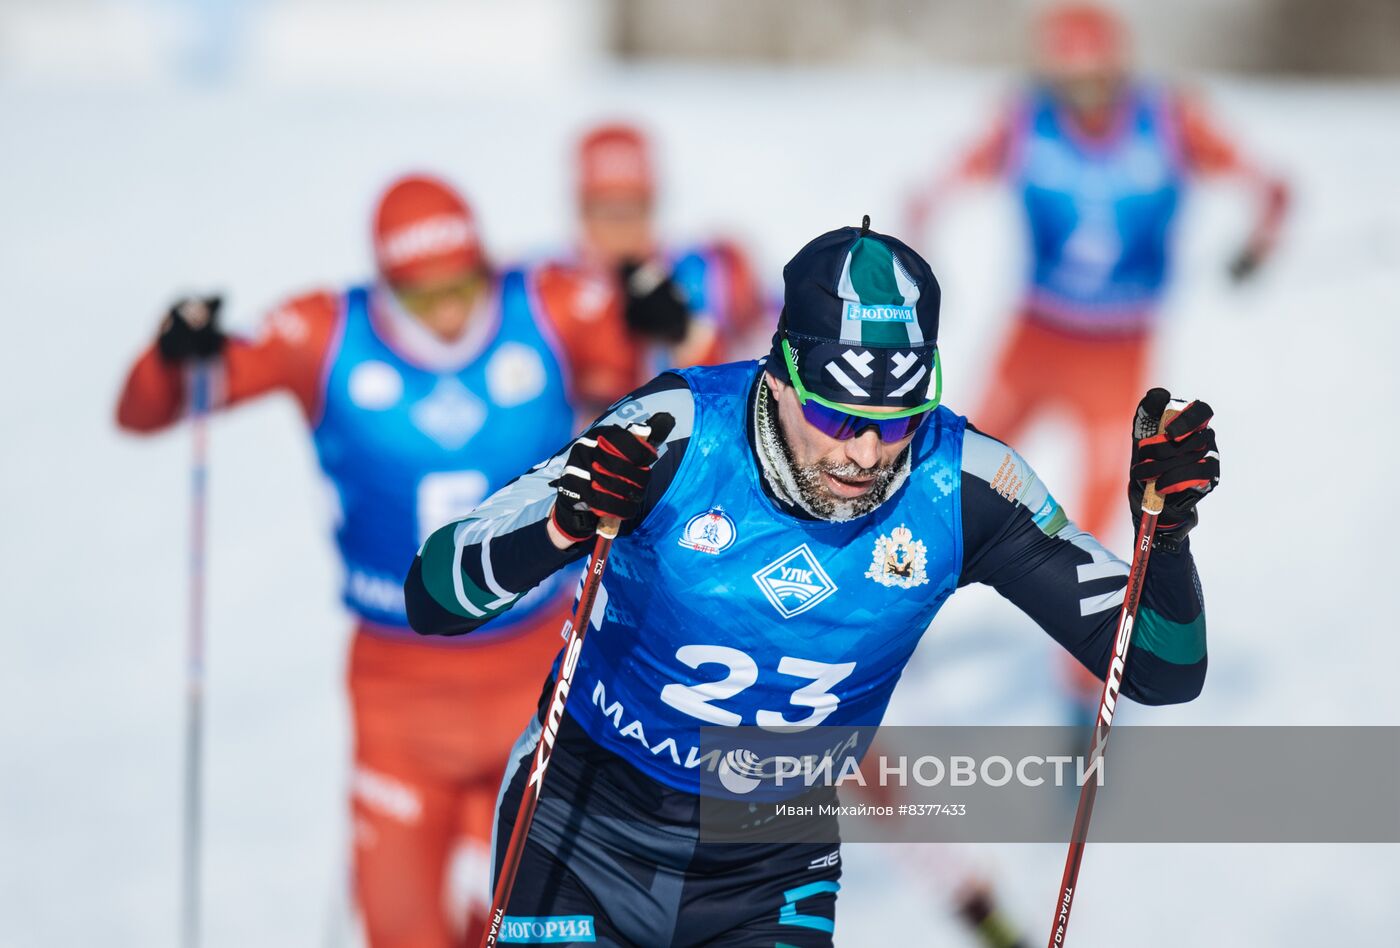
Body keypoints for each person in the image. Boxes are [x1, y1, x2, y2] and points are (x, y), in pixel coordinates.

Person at [404, 221, 1219, 945]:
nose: (864, 454)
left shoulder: (964, 482)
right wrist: (563, 525)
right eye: (835, 414)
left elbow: (1160, 670)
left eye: (897, 419)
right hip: (583, 827)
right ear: (780, 374)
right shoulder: (675, 432)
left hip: (768, 869)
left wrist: (1167, 536)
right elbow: (434, 594)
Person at [115, 173, 624, 948]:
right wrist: (171, 357)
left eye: (464, 286)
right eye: (423, 298)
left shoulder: (547, 305)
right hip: (399, 689)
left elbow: (671, 387)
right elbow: (152, 411)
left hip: (540, 671)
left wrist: (665, 324)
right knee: (401, 928)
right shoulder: (325, 332)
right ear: (384, 286)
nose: (450, 312)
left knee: (554, 928)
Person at [905, 0, 1279, 716]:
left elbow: (1268, 187)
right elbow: (939, 185)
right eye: (1067, 81)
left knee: (1107, 509)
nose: (1082, 97)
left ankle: (1086, 679)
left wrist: (1257, 245)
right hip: (1038, 335)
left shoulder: (1169, 119)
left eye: (1094, 80)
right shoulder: (1025, 119)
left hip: (1118, 348)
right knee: (947, 469)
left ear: (1117, 69)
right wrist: (922, 237)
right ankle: (883, 603)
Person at [534, 121, 768, 413]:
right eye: (605, 211)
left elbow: (774, 368)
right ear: (581, 210)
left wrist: (688, 337)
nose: (620, 229)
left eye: (634, 208)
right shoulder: (544, 289)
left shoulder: (711, 274)